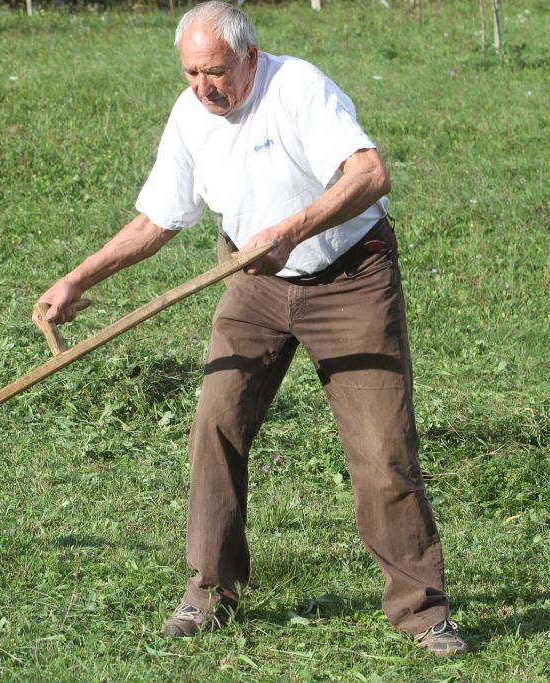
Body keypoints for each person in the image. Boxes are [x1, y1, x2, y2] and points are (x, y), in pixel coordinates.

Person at [34, 0, 467, 657]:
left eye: (215, 71)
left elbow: (370, 174)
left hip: (349, 279)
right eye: (190, 73)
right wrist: (79, 278)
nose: (205, 86)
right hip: (254, 284)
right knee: (216, 422)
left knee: (382, 449)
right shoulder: (190, 119)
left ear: (251, 57)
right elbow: (158, 220)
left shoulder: (296, 88)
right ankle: (209, 590)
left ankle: (421, 610)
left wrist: (291, 231)